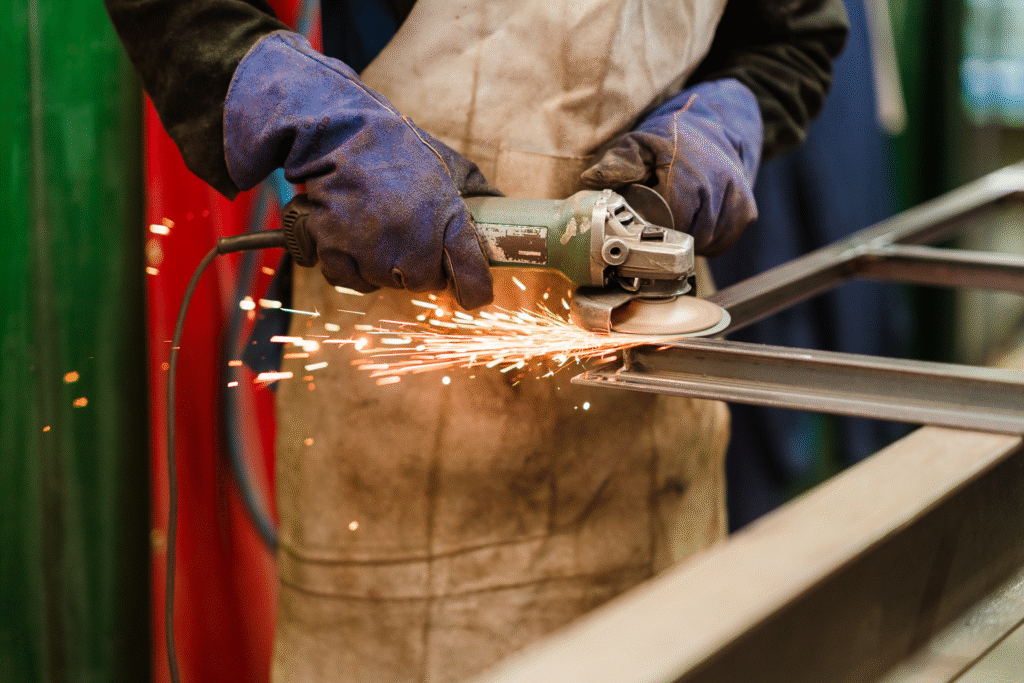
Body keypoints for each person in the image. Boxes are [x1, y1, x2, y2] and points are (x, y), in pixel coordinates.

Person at [104, 1, 848, 681]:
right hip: (391, 452)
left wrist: (719, 128)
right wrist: (313, 118)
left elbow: (794, 41)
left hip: (646, 447)